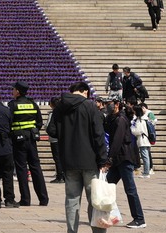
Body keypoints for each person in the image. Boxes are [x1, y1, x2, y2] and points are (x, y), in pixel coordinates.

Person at [48, 82, 107, 233]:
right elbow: (98, 135)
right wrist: (103, 159)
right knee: (94, 200)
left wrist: (65, 132)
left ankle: (72, 230)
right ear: (85, 91)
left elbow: (51, 130)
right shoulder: (90, 106)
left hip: (69, 160)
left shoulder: (60, 107)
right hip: (90, 160)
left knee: (72, 199)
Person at [102, 100, 147, 228]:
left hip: (124, 158)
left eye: (109, 103)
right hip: (118, 159)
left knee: (130, 189)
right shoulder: (113, 118)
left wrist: (109, 159)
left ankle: (139, 219)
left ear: (116, 104)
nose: (107, 106)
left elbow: (116, 141)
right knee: (107, 186)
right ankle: (109, 214)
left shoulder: (120, 119)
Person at [8, 81, 48, 206]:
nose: (12, 91)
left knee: (21, 169)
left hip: (19, 140)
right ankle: (43, 198)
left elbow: (9, 122)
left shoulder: (12, 105)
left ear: (18, 91)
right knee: (36, 167)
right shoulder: (33, 104)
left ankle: (26, 199)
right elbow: (39, 123)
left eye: (13, 89)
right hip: (32, 139)